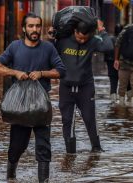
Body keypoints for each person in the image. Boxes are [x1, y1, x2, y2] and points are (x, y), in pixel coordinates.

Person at [0, 12, 66, 182]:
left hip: (41, 106)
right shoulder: (14, 47)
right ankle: (11, 177)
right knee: (17, 147)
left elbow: (61, 71)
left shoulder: (48, 48)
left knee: (43, 147)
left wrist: (42, 73)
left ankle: (43, 180)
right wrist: (15, 72)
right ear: (24, 28)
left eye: (38, 26)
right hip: (19, 107)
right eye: (31, 26)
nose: (35, 29)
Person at [52, 19, 113, 153]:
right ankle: (70, 153)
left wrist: (102, 30)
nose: (82, 40)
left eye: (85, 38)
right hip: (66, 87)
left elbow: (108, 47)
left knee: (89, 118)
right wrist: (52, 36)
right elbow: (49, 51)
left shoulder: (92, 41)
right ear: (75, 31)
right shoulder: (63, 41)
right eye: (79, 37)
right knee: (67, 120)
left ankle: (96, 149)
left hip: (86, 87)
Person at [104, 24, 131, 103]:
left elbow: (105, 50)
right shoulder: (125, 40)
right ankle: (129, 101)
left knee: (113, 81)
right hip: (123, 63)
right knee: (127, 82)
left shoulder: (109, 39)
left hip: (110, 63)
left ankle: (113, 102)